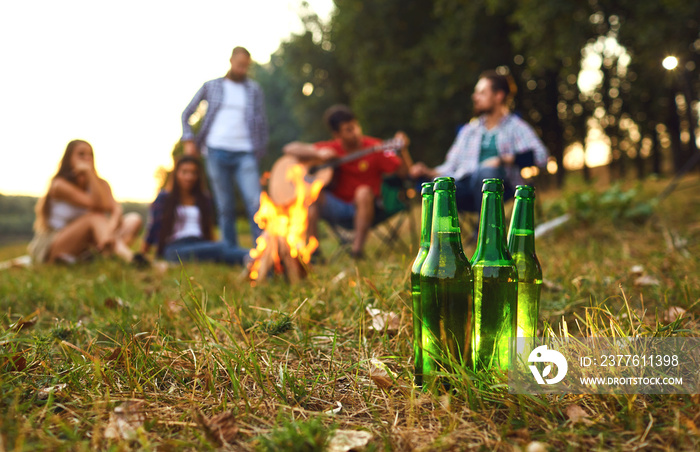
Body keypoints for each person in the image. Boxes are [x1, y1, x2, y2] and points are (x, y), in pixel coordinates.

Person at [410, 70, 548, 212]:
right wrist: (428, 171)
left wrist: (503, 160)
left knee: (486, 173)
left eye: (482, 93)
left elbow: (542, 157)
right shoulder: (469, 130)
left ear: (499, 96)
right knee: (436, 187)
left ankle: (484, 232)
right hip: (464, 185)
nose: (475, 97)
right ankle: (446, 233)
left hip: (501, 187)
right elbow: (450, 165)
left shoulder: (516, 127)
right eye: (476, 93)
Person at [283, 105, 409, 258]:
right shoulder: (332, 148)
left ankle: (356, 252)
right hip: (337, 206)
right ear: (337, 134)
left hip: (369, 208)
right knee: (311, 196)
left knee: (363, 192)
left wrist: (402, 150)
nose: (355, 133)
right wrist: (318, 153)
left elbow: (404, 173)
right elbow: (290, 148)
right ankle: (313, 251)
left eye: (356, 127)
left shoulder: (376, 147)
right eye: (349, 130)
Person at [180, 46, 268, 248]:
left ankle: (262, 249)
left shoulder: (254, 89)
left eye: (246, 67)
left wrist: (259, 152)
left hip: (245, 152)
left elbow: (261, 122)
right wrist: (188, 140)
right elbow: (187, 113)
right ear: (231, 61)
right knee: (225, 205)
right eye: (239, 65)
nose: (242, 70)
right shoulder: (211, 86)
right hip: (215, 151)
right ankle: (230, 251)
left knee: (255, 202)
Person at [28, 139, 144, 265]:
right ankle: (129, 258)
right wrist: (89, 173)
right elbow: (97, 204)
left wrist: (110, 227)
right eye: (81, 154)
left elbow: (116, 209)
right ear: (69, 158)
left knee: (133, 219)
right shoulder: (59, 185)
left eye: (90, 155)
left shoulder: (102, 184)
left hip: (91, 241)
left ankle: (100, 255)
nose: (87, 158)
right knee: (94, 217)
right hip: (54, 243)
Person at [141, 155, 250, 265]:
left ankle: (255, 260)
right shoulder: (164, 198)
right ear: (176, 174)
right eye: (184, 172)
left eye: (193, 173)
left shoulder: (204, 199)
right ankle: (254, 257)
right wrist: (142, 253)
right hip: (175, 248)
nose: (189, 177)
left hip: (200, 243)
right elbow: (153, 227)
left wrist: (210, 243)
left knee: (218, 250)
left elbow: (208, 228)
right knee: (221, 248)